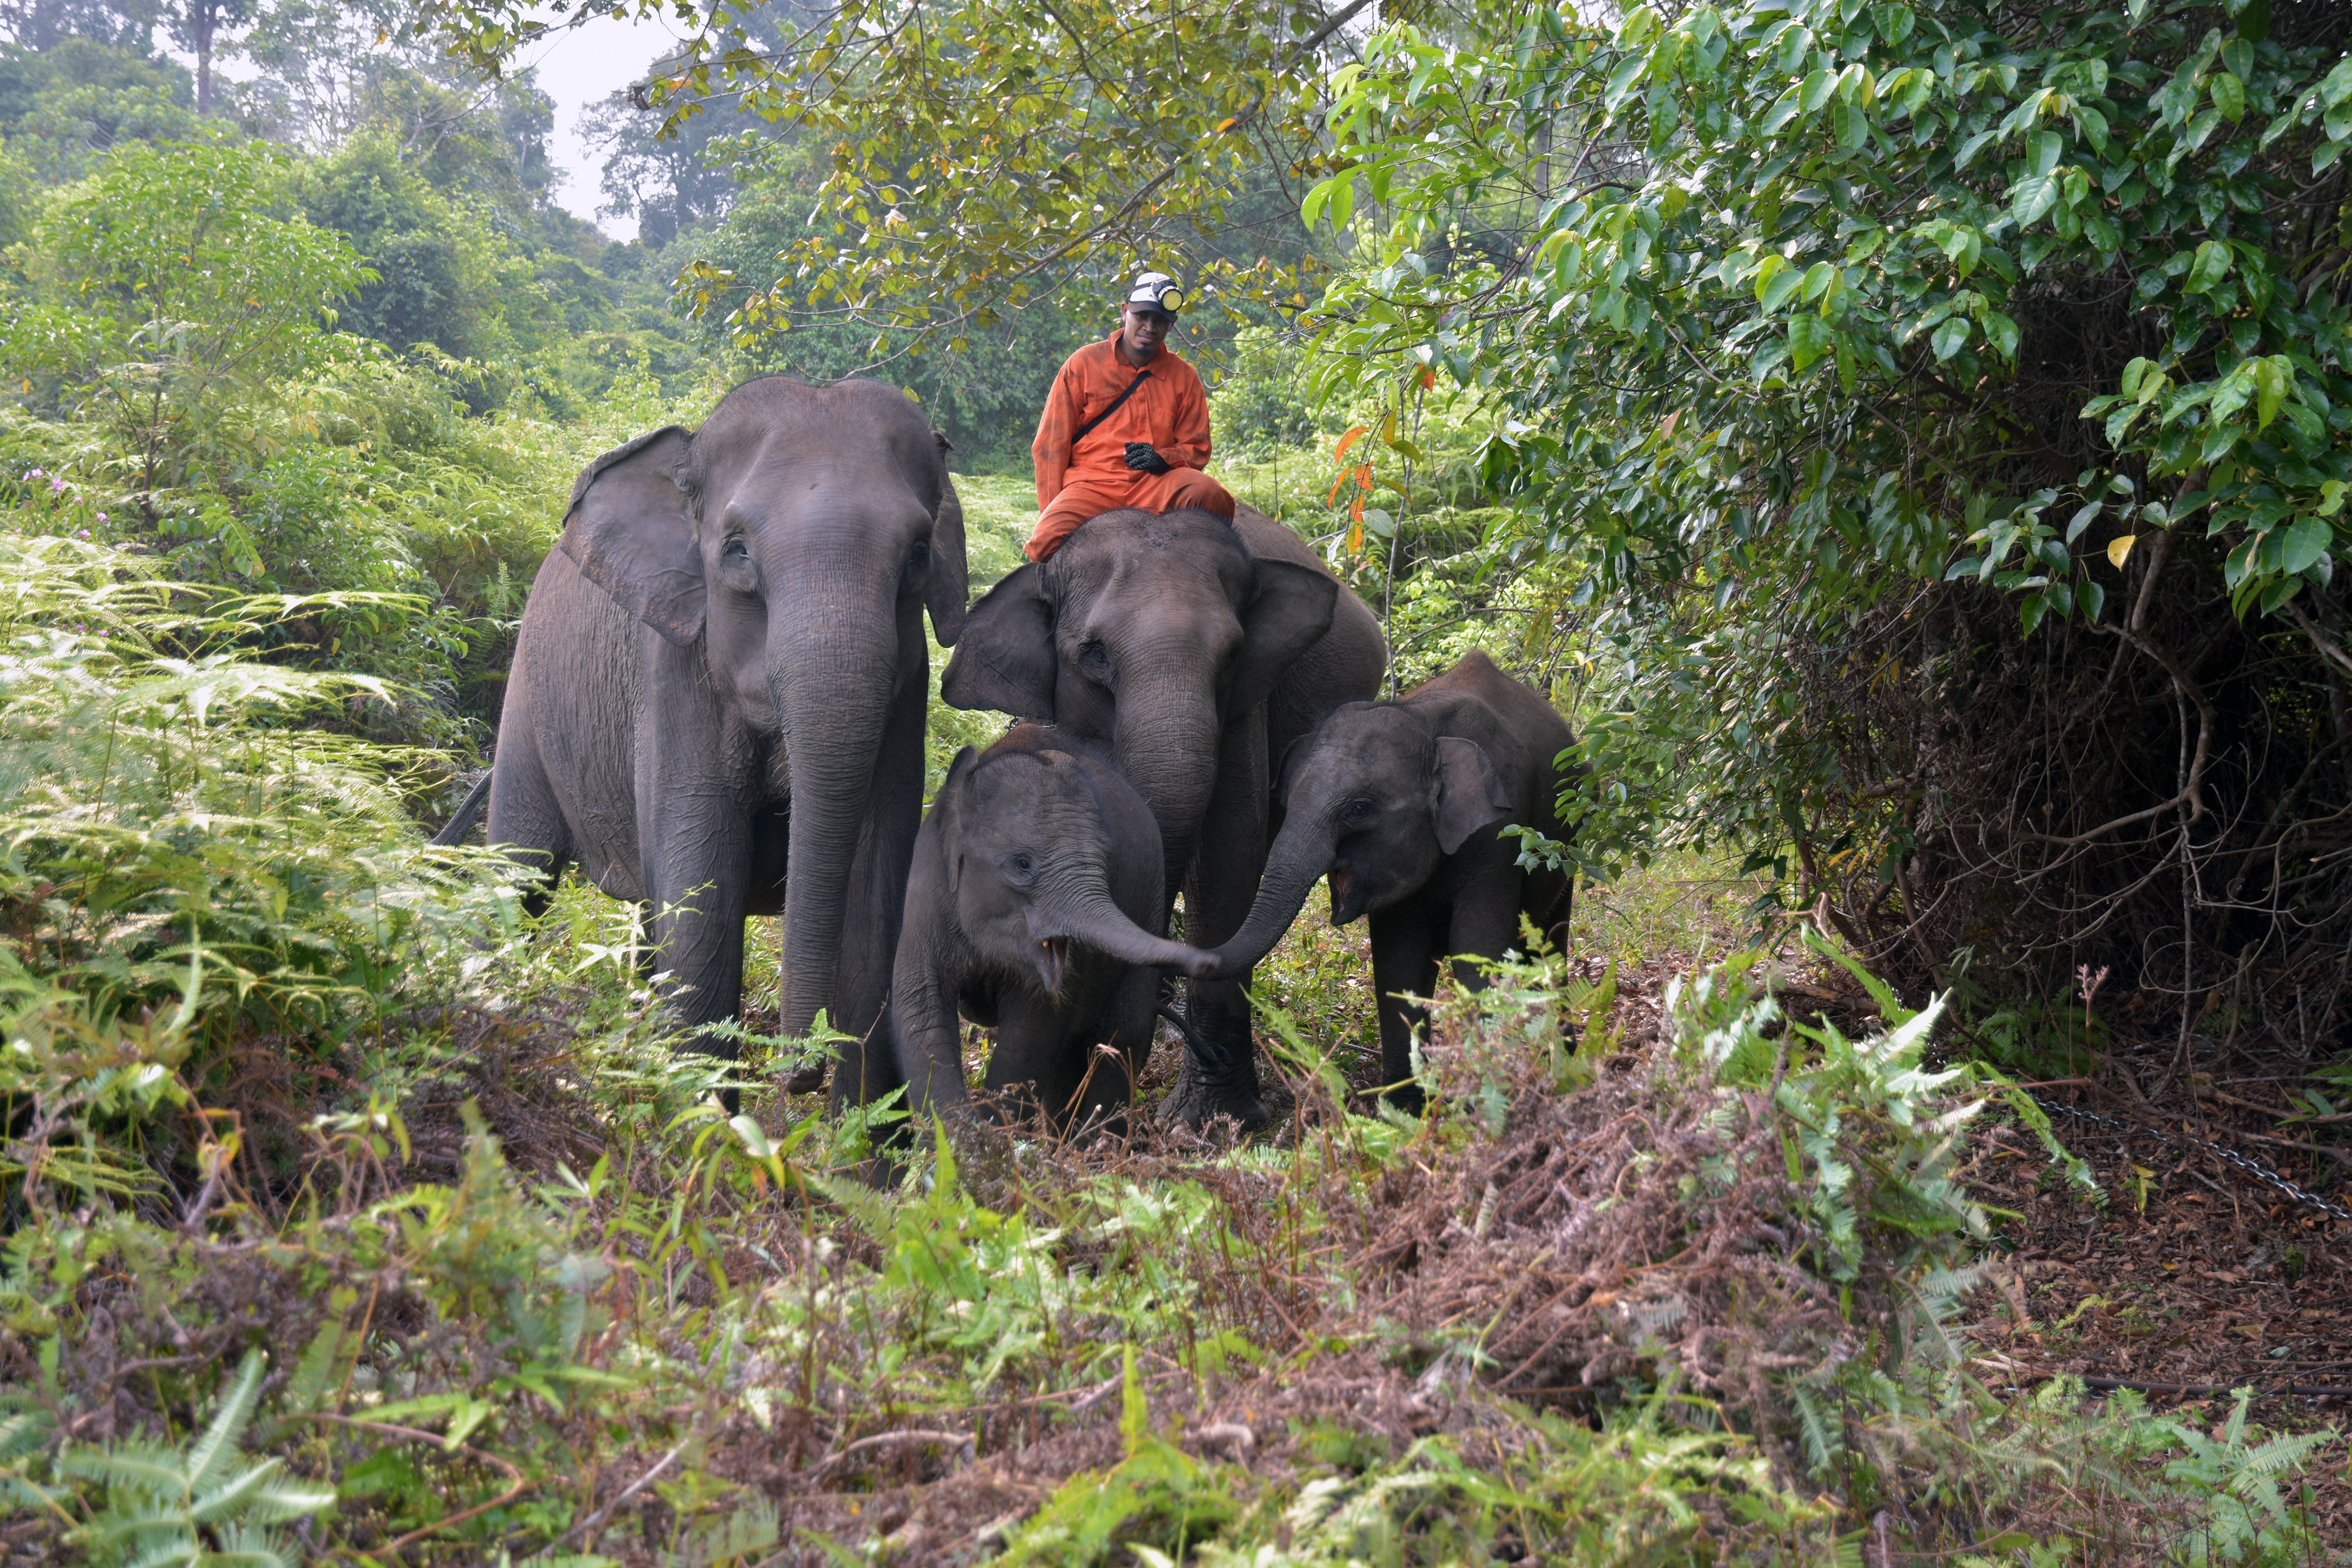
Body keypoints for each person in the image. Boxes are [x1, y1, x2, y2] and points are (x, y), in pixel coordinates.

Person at [1024, 271, 1236, 563]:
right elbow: (1050, 447)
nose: (1150, 327)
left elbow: (1196, 449)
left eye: (1160, 320)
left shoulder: (1185, 378)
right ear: (1125, 312)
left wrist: (1162, 459)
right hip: (1091, 485)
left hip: (1155, 485)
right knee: (1044, 543)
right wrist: (1051, 509)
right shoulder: (1082, 365)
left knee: (1209, 494)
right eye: (1142, 316)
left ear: (1171, 324)